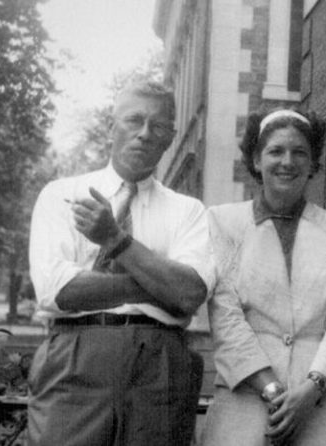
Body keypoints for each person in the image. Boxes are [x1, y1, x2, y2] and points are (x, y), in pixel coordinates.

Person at [28, 81, 214, 445]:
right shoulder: (62, 195)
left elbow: (190, 294)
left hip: (160, 364)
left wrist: (115, 240)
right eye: (134, 120)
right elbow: (59, 291)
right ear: (112, 127)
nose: (144, 134)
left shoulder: (188, 211)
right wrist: (158, 283)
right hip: (74, 355)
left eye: (158, 127)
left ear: (170, 138)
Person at [202, 109, 326, 446]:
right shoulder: (222, 222)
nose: (287, 161)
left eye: (300, 152)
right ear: (256, 160)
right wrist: (273, 390)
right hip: (243, 398)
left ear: (313, 163)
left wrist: (309, 391)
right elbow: (226, 315)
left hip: (316, 405)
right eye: (276, 151)